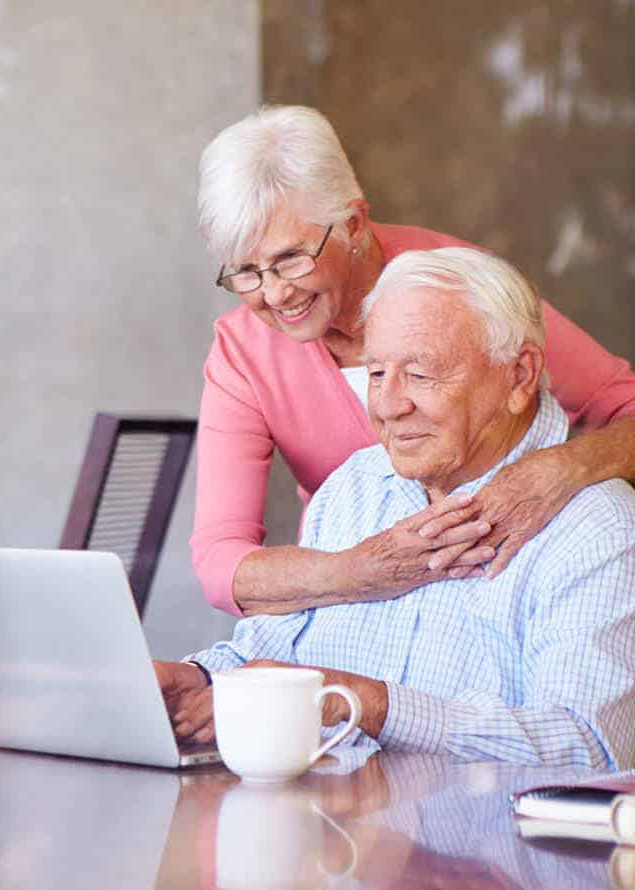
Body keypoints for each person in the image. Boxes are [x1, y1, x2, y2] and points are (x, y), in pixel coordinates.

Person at [157, 248, 635, 768]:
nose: (388, 406)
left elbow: (590, 747)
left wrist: (374, 705)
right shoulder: (352, 488)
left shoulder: (595, 524)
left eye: (421, 375)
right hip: (330, 837)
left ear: (519, 377)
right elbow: (273, 650)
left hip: (480, 845)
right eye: (377, 374)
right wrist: (201, 680)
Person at [191, 105, 635, 617]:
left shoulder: (461, 293)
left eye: (291, 258)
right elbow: (221, 560)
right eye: (246, 271)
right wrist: (361, 571)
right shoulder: (242, 352)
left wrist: (559, 469)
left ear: (353, 224)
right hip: (353, 612)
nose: (274, 293)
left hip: (495, 598)